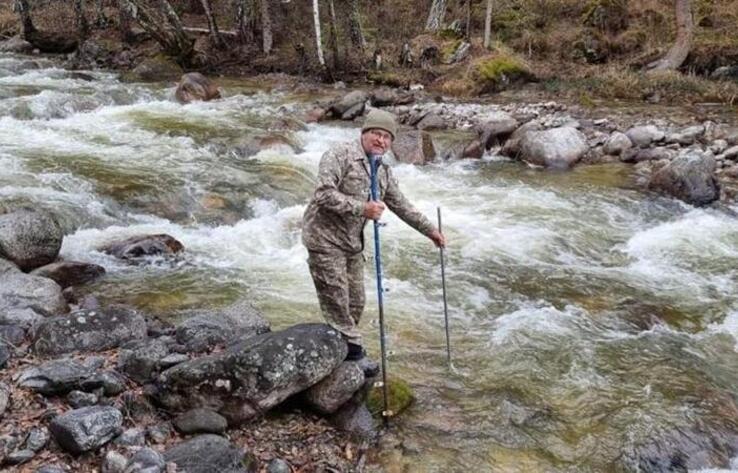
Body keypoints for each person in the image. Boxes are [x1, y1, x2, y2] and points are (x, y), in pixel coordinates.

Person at [302, 109, 446, 374]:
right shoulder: (339, 155)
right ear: (364, 133)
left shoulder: (383, 171)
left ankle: (340, 350)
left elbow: (401, 205)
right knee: (336, 300)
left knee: (356, 303)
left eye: (386, 137)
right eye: (376, 134)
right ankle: (354, 355)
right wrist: (362, 208)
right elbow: (322, 194)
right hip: (323, 238)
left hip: (351, 244)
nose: (381, 141)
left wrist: (431, 231)